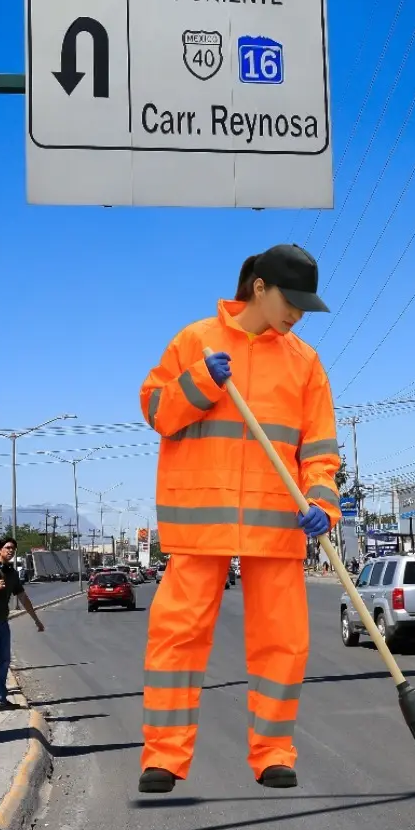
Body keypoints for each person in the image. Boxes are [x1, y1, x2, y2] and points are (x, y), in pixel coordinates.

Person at [137, 244, 341, 794]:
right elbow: (157, 412)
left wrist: (322, 504)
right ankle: (163, 758)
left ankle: (274, 753)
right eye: (291, 300)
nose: (297, 313)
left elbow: (320, 451)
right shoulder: (194, 342)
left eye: (305, 304)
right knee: (176, 638)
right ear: (259, 288)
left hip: (278, 524)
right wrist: (198, 384)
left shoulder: (305, 363)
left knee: (283, 642)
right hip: (201, 522)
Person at [0, 537, 45, 712]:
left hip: (3, 620)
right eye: (7, 547)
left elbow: (23, 598)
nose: (11, 550)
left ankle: (0, 700)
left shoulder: (11, 573)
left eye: (13, 548)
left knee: (4, 660)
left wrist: (36, 619)